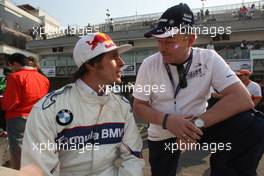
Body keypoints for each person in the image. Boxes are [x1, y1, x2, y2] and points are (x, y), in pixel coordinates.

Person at [133, 3, 264, 176]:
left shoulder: (208, 58)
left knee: (255, 123)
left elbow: (242, 98)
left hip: (200, 126)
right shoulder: (149, 64)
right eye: (159, 40)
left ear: (191, 39)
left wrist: (195, 124)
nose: (162, 48)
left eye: (170, 41)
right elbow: (139, 106)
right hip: (162, 132)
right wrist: (169, 121)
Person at [21, 32, 144, 176]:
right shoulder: (48, 109)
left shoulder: (122, 106)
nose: (122, 62)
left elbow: (133, 157)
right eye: (113, 57)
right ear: (91, 64)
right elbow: (38, 170)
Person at [1, 53, 50, 170]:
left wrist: (3, 103)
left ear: (16, 64)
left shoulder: (15, 77)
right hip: (38, 117)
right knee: (35, 146)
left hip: (18, 117)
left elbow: (12, 102)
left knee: (18, 149)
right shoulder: (43, 78)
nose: (11, 69)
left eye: (11, 66)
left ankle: (20, 172)